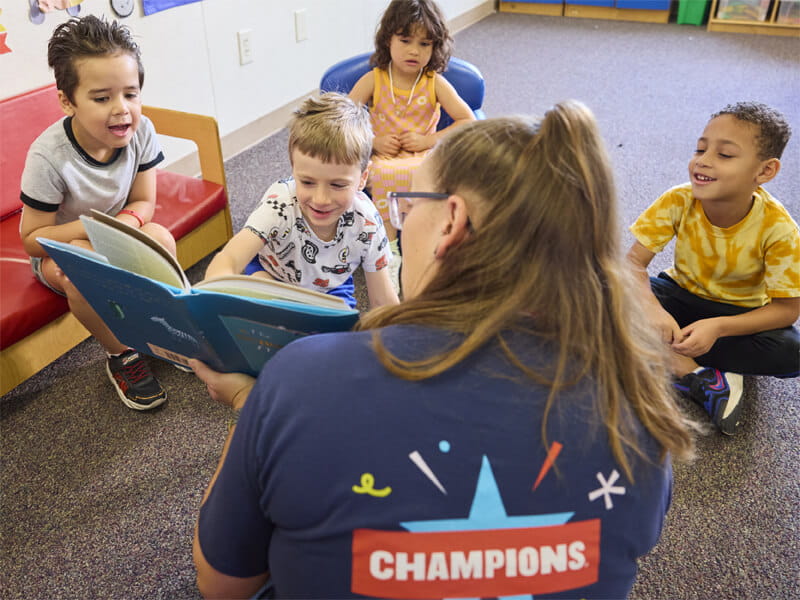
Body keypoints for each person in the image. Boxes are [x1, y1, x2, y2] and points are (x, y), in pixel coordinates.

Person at [191, 103, 698, 599]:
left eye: (407, 209)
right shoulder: (636, 398)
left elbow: (222, 584)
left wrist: (247, 407)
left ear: (451, 222)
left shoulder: (299, 379)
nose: (401, 223)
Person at [20, 15, 176, 411]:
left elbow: (144, 201)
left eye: (131, 94)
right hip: (64, 250)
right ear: (67, 100)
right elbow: (31, 239)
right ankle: (121, 354)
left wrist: (121, 227)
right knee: (83, 269)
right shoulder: (48, 155)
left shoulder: (142, 131)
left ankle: (170, 331)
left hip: (113, 233)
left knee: (161, 238)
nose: (122, 110)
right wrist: (93, 231)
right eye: (102, 98)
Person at [628, 101, 799, 436]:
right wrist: (652, 309)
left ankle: (666, 354)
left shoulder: (780, 230)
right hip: (679, 296)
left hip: (738, 315)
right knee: (598, 288)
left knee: (792, 353)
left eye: (725, 155)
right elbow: (632, 263)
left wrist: (718, 327)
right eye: (700, 148)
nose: (702, 160)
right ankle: (693, 371)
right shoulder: (678, 200)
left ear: (764, 172)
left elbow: (787, 310)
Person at [204, 93, 398, 310]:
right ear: (293, 167)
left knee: (337, 330)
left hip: (330, 286)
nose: (321, 199)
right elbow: (228, 260)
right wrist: (213, 298)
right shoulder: (279, 205)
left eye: (337, 185)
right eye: (307, 182)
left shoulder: (368, 222)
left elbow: (383, 302)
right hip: (273, 274)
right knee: (268, 312)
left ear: (363, 177)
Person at [349, 0, 475, 237]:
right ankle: (388, 247)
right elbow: (343, 120)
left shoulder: (434, 82)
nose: (414, 51)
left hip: (423, 154)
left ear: (434, 46)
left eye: (424, 43)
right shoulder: (373, 79)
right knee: (381, 174)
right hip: (382, 155)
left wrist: (428, 140)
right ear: (388, 39)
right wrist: (373, 141)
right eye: (405, 41)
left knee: (431, 176)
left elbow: (468, 121)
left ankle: (423, 238)